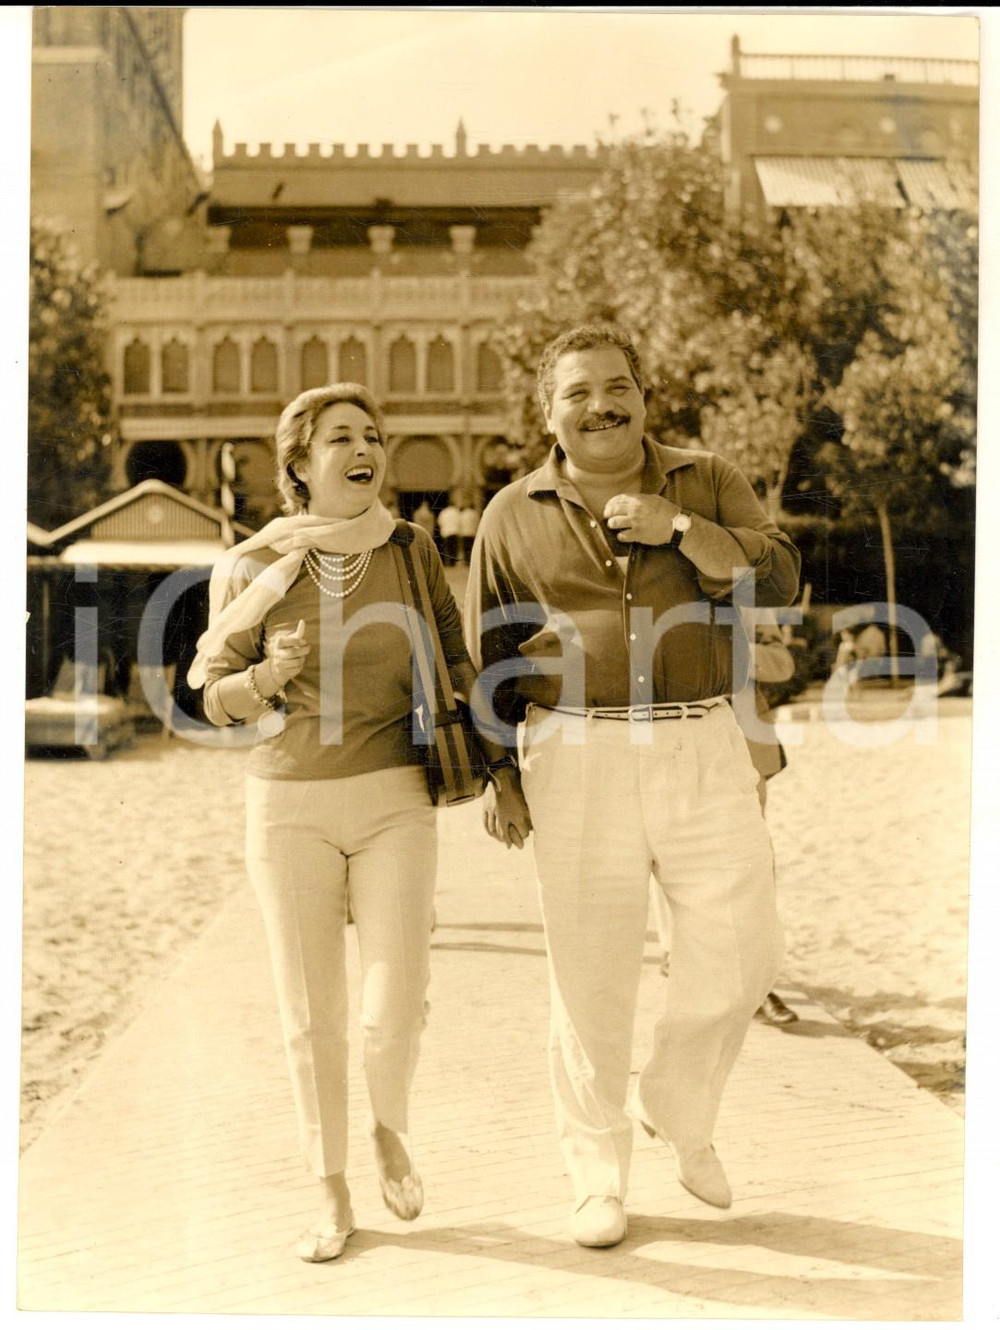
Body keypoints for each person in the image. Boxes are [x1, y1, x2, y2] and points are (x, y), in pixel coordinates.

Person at [465, 323, 800, 1248]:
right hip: (574, 753)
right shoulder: (510, 513)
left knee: (745, 949)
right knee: (589, 976)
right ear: (548, 412)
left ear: (646, 397)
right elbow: (487, 654)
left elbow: (779, 577)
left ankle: (676, 1106)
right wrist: (500, 775)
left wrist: (682, 530)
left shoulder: (708, 478)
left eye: (618, 387)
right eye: (577, 392)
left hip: (703, 741)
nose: (601, 405)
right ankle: (596, 1178)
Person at [189, 384, 474, 1263]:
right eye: (342, 437)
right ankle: (331, 1185)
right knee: (311, 1015)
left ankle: (388, 1126)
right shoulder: (250, 566)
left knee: (395, 1008)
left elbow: (458, 661)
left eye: (374, 436)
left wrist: (499, 758)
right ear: (300, 466)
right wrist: (266, 679)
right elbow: (212, 700)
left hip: (396, 801)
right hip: (288, 809)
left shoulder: (411, 550)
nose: (366, 450)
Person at [651, 612, 799, 1026]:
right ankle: (677, 953)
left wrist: (721, 649)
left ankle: (757, 983)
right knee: (670, 853)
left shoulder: (746, 594)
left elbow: (781, 663)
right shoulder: (650, 585)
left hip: (744, 747)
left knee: (752, 864)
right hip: (672, 742)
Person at [437, 495, 462, 566]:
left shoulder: (443, 512)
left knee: (447, 548)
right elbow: (460, 522)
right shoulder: (456, 511)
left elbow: (439, 522)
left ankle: (448, 563)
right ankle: (453, 562)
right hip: (455, 531)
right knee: (454, 548)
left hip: (446, 532)